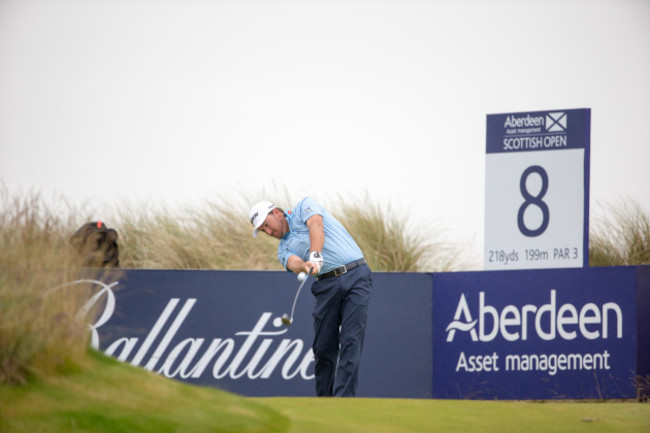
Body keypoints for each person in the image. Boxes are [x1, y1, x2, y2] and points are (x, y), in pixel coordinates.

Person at [249, 197, 373, 397]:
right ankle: (324, 402)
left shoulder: (303, 207)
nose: (269, 232)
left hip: (357, 275)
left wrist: (315, 254)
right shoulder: (283, 248)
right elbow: (293, 262)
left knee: (351, 340)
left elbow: (316, 224)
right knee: (323, 347)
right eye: (264, 231)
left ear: (277, 213)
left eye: (267, 225)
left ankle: (343, 403)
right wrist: (305, 265)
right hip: (326, 285)